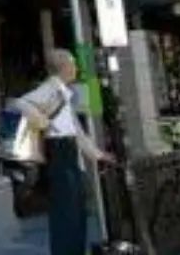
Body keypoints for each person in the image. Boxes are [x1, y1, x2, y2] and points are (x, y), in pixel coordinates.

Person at [14, 48, 112, 255]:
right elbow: (21, 103)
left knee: (76, 210)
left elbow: (76, 131)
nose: (75, 67)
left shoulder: (63, 91)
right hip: (59, 153)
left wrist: (97, 154)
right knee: (66, 211)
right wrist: (44, 122)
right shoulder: (51, 89)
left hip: (69, 152)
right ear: (63, 67)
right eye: (73, 63)